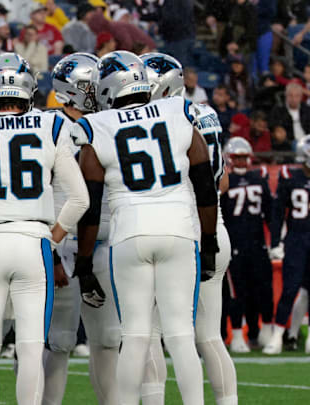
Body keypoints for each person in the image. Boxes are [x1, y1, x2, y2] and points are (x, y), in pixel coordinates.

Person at [58, 50, 217, 405]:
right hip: (178, 229)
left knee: (135, 337)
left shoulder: (96, 126)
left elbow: (91, 206)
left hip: (129, 234)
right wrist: (209, 242)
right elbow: (205, 184)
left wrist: (84, 264)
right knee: (180, 336)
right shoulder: (177, 110)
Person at [0, 52, 89, 405]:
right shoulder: (51, 125)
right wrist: (52, 238)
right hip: (33, 241)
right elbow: (80, 199)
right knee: (29, 350)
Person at [140, 52, 238, 405]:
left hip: (177, 230)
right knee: (209, 337)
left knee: (151, 334)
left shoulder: (162, 119)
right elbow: (221, 180)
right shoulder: (207, 113)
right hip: (216, 227)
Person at [44, 52, 117, 405]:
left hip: (100, 242)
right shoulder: (47, 125)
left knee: (109, 339)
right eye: (94, 83)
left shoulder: (106, 122)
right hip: (61, 241)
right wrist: (54, 251)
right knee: (58, 341)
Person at [220, 137, 275, 353]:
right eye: (237, 158)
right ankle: (235, 335)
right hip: (234, 245)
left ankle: (258, 333)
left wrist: (275, 240)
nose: (241, 162)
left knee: (261, 290)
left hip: (257, 243)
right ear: (229, 159)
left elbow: (270, 213)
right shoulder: (225, 181)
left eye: (244, 157)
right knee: (236, 293)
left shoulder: (259, 178)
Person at [264, 135, 310, 354]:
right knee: (290, 290)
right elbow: (277, 212)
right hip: (297, 239)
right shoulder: (290, 176)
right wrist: (275, 241)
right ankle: (277, 336)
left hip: (301, 238)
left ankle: (300, 337)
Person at [270, 83, 310, 148]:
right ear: (286, 96)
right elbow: (273, 125)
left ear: (301, 97)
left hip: (307, 140)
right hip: (289, 142)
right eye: (290, 96)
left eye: (297, 96)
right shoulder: (278, 110)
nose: (294, 99)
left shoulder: (307, 109)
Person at [157, 0, 194, 66]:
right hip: (181, 36)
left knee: (181, 66)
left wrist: (160, 28)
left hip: (178, 37)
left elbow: (173, 18)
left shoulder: (175, 2)